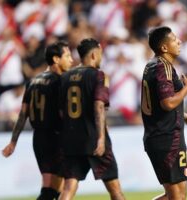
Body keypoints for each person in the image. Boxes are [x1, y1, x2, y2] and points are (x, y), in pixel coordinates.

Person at [2, 41, 73, 200]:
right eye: (67, 56)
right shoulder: (61, 81)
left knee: (48, 189)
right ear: (56, 59)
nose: (72, 60)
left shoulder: (32, 82)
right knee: (62, 188)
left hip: (39, 140)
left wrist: (13, 142)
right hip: (57, 137)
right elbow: (64, 113)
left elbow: (22, 115)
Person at [59, 38, 125, 200]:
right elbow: (99, 106)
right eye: (100, 54)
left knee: (68, 188)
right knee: (115, 190)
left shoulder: (65, 77)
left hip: (71, 140)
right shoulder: (98, 75)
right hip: (94, 139)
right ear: (94, 54)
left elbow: (60, 111)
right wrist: (101, 138)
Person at [141, 26, 187, 200]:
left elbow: (158, 103)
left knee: (177, 197)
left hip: (167, 136)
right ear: (164, 48)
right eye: (174, 39)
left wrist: (186, 117)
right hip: (166, 138)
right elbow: (167, 103)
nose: (179, 41)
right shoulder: (162, 67)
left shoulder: (152, 66)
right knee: (176, 197)